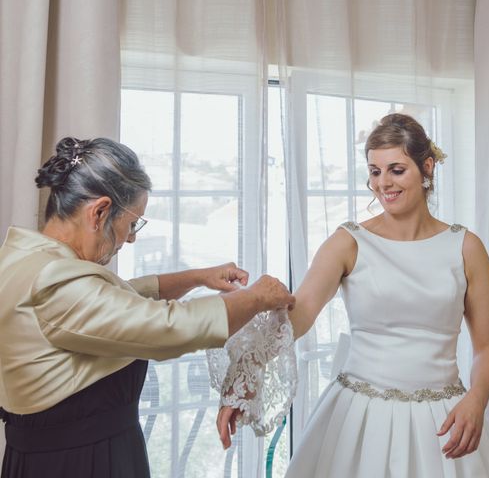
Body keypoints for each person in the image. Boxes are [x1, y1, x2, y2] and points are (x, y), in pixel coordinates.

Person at [217, 113, 489, 476]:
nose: (383, 183)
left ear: (427, 167)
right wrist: (246, 375)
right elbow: (300, 315)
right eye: (374, 171)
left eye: (396, 170)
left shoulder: (466, 247)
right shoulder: (348, 242)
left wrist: (476, 401)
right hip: (358, 418)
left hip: (443, 420)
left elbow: (486, 348)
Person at [0, 137, 295, 478]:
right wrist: (257, 296)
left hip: (49, 455)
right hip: (82, 462)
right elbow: (171, 329)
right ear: (99, 211)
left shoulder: (23, 259)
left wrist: (198, 277)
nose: (130, 238)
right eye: (132, 223)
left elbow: (116, 298)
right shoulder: (56, 282)